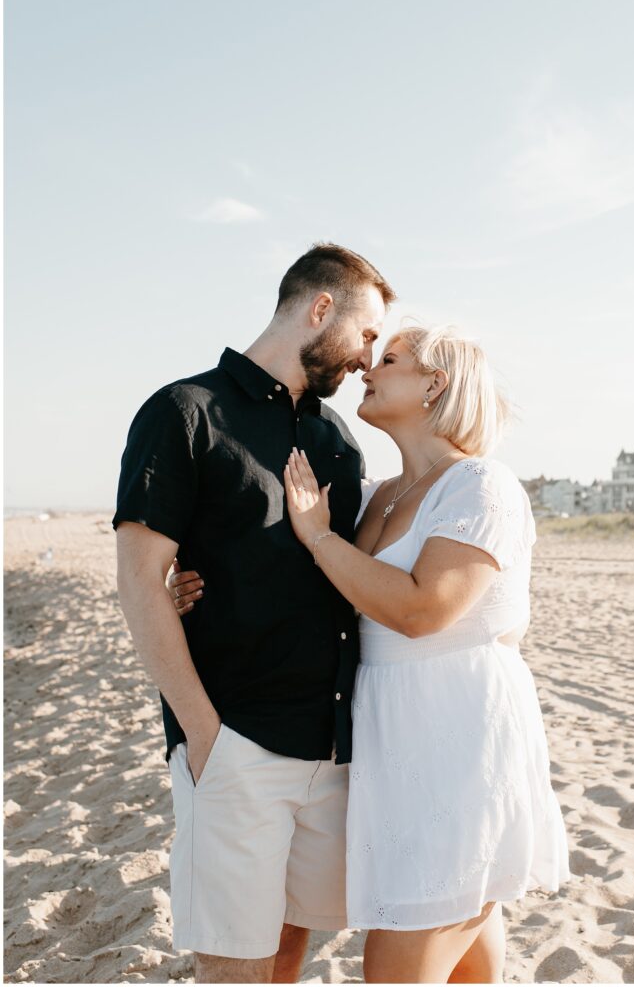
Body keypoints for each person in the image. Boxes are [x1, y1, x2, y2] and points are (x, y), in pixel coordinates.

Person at [174, 323, 571, 983]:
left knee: (400, 958)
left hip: (457, 732)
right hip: (388, 739)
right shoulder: (379, 495)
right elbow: (330, 603)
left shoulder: (481, 485)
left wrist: (318, 536)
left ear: (433, 384)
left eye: (388, 360)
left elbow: (421, 609)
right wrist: (191, 592)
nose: (367, 369)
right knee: (457, 936)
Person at [114, 242, 395, 984]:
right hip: (233, 740)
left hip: (330, 745)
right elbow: (140, 582)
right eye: (367, 334)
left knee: (289, 949)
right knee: (234, 964)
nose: (369, 357)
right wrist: (203, 737)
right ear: (321, 307)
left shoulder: (338, 441)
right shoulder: (183, 411)